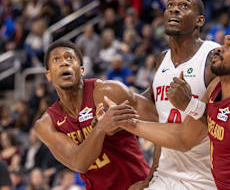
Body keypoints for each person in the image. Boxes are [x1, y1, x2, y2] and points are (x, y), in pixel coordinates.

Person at [105, 22, 230, 189]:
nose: (220, 48)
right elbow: (185, 136)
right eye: (224, 42)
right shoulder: (217, 86)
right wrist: (128, 122)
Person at [33, 40, 158, 190]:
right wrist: (100, 129)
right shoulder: (46, 124)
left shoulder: (108, 92)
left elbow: (160, 120)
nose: (64, 63)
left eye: (70, 58)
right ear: (48, 75)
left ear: (82, 70)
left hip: (137, 184)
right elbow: (79, 163)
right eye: (56, 60)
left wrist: (153, 175)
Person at [128, 0, 220, 190]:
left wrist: (189, 104)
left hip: (206, 178)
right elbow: (160, 122)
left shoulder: (213, 56)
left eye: (184, 6)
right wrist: (151, 176)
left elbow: (224, 118)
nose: (174, 10)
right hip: (166, 175)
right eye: (170, 6)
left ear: (199, 21)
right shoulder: (161, 60)